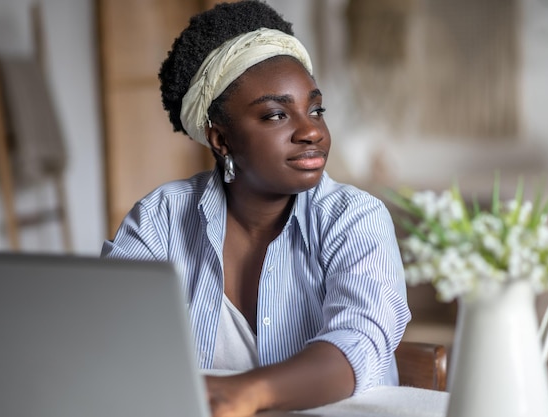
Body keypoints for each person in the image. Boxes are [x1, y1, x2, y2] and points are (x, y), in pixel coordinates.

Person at [101, 1, 411, 416]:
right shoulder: (161, 219)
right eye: (276, 114)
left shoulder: (355, 218)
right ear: (221, 140)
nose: (311, 131)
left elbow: (359, 342)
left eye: (315, 109)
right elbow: (110, 342)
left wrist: (244, 393)